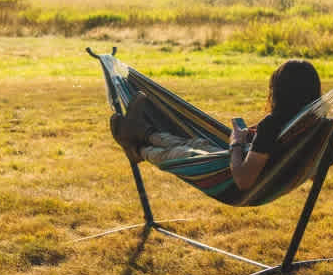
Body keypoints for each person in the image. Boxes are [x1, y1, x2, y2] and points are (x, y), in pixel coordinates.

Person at [110, 60, 322, 191]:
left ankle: (137, 148)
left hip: (235, 178)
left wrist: (237, 144)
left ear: (279, 91)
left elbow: (243, 181)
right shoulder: (316, 123)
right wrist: (255, 139)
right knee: (196, 143)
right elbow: (311, 170)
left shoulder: (273, 125)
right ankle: (143, 133)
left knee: (184, 154)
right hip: (272, 177)